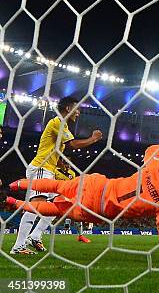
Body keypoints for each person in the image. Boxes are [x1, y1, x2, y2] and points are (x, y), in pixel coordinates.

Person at [4, 143, 159, 264]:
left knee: (55, 187)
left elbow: (157, 148)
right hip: (95, 210)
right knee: (53, 208)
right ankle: (12, 201)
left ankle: (15, 185)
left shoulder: (153, 167)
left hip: (95, 185)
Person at [11, 97, 102, 255]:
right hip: (41, 168)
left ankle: (35, 236)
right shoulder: (57, 122)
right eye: (77, 109)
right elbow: (71, 145)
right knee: (35, 207)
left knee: (57, 206)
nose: (78, 113)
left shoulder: (62, 124)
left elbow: (55, 150)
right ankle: (18, 246)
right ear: (68, 108)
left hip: (48, 169)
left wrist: (60, 164)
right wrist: (93, 139)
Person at [55, 156, 91, 243]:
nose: (68, 166)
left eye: (69, 164)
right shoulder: (55, 171)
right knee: (48, 214)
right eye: (66, 163)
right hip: (56, 195)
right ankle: (35, 234)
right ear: (62, 163)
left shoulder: (72, 173)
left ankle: (80, 235)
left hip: (68, 196)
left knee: (77, 213)